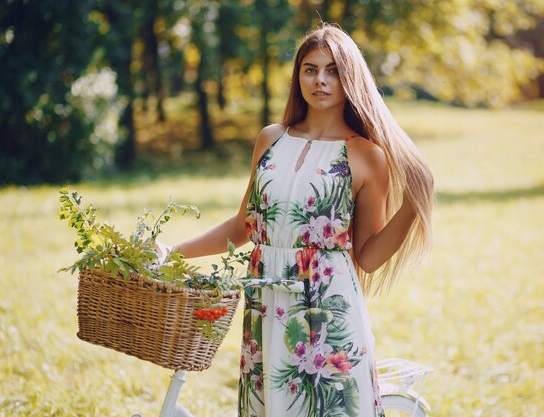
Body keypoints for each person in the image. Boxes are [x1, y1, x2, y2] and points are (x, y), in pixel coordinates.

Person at [163, 23, 433, 417]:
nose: (320, 80)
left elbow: (369, 256)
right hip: (267, 304)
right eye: (310, 69)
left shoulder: (366, 156)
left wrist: (414, 204)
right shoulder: (271, 139)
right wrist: (172, 252)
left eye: (333, 70)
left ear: (349, 78)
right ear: (298, 76)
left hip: (327, 308)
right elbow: (244, 227)